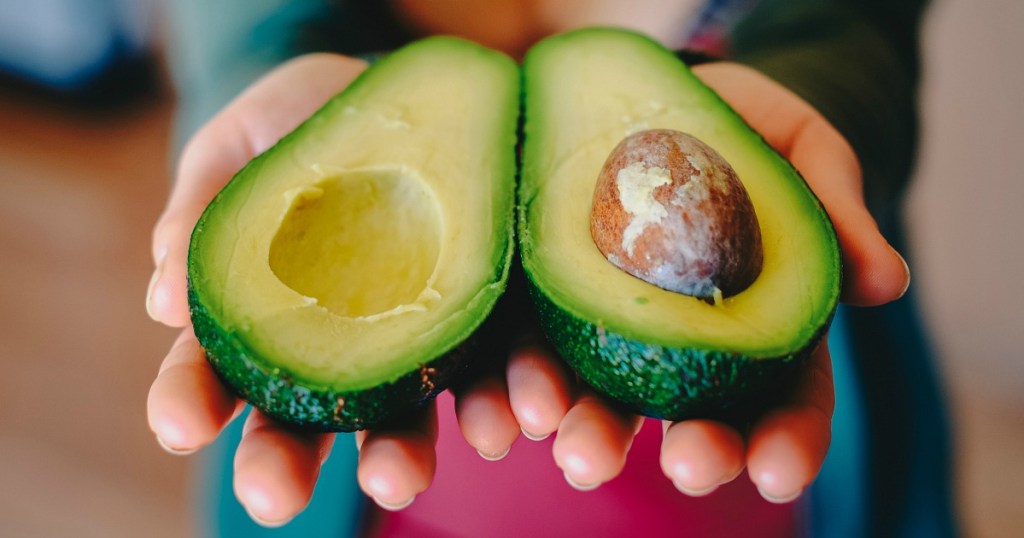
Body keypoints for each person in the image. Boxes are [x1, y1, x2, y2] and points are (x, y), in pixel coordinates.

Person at [146, 0, 956, 535]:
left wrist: (815, 95)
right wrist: (257, 75)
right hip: (394, 481)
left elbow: (852, 24)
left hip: (759, 480)